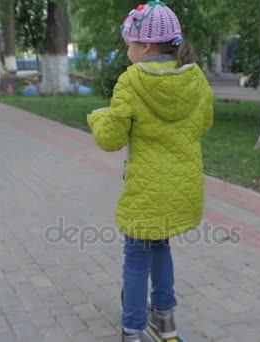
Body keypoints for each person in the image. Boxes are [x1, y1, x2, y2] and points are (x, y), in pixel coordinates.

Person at [86, 1, 214, 341]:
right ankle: (165, 322)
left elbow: (110, 139)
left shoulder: (131, 81)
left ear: (144, 46)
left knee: (136, 258)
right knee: (160, 249)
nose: (127, 50)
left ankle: (133, 330)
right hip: (182, 189)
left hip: (146, 191)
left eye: (130, 43)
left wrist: (98, 117)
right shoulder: (196, 78)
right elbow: (203, 123)